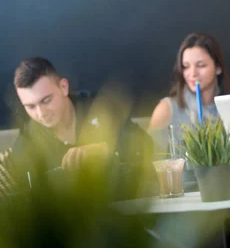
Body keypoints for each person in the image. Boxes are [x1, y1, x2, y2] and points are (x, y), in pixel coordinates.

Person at [12, 57, 154, 196]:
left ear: (63, 87)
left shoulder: (99, 108)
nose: (41, 113)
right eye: (30, 106)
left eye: (46, 100)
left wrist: (104, 149)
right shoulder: (27, 142)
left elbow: (145, 145)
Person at [148, 33, 230, 183]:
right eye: (186, 67)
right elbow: (148, 168)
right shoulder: (166, 109)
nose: (192, 74)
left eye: (201, 65)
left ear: (218, 67)